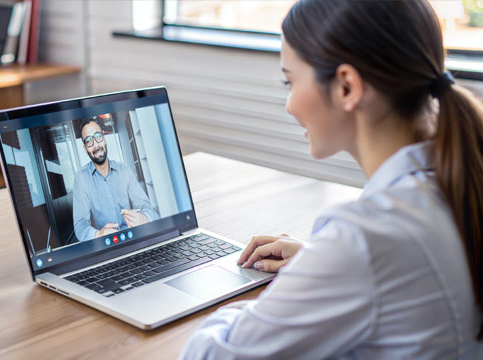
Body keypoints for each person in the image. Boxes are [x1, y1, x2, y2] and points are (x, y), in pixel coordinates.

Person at [180, 0, 483, 358]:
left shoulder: (364, 237)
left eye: (290, 81)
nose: (289, 104)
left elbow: (209, 354)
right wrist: (323, 269)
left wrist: (306, 285)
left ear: (346, 87)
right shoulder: (455, 179)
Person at [72, 116, 159, 242]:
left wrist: (144, 218)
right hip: (106, 245)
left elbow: (145, 205)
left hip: (133, 238)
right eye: (89, 141)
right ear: (85, 149)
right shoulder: (81, 178)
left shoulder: (124, 170)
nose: (96, 145)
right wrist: (98, 235)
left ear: (104, 139)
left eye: (98, 137)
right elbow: (80, 225)